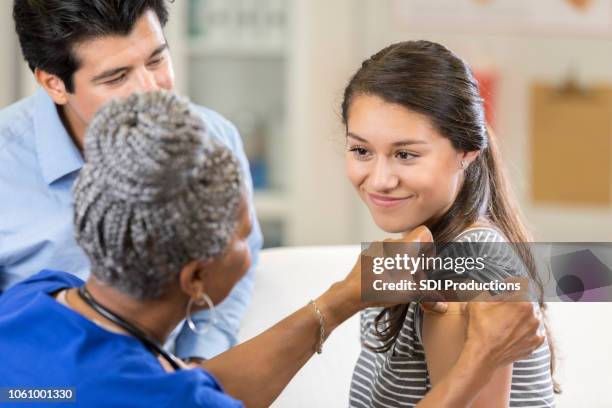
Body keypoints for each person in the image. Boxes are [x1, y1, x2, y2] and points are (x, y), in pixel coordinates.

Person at [0, 91, 546, 408]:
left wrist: (342, 299)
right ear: (196, 278)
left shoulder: (33, 299)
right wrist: (479, 359)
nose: (252, 242)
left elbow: (191, 386)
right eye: (243, 233)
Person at [0, 0, 263, 361]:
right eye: (116, 77)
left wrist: (198, 361)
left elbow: (235, 262)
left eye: (156, 60)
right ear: (54, 83)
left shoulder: (212, 137)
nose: (151, 90)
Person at [343, 40, 558, 407]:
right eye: (362, 150)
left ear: (466, 152)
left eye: (405, 154)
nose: (379, 180)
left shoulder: (466, 265)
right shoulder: (432, 250)